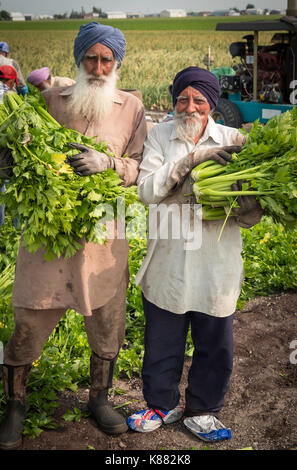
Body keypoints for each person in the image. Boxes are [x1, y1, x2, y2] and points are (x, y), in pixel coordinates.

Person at [0, 21, 147, 450]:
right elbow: (21, 157)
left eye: (107, 60)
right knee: (30, 317)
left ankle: (98, 399)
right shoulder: (48, 101)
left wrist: (109, 165)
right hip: (49, 235)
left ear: (117, 63)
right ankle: (15, 406)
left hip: (103, 235)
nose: (99, 68)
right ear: (78, 59)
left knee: (106, 319)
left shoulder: (131, 108)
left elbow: (139, 167)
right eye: (91, 58)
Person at [127, 66, 263, 441]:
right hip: (168, 256)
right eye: (182, 99)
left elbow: (252, 216)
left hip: (216, 259)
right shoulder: (160, 135)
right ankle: (161, 404)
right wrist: (192, 161)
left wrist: (242, 202)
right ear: (173, 102)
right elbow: (147, 190)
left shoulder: (234, 139)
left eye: (198, 100)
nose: (189, 107)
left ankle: (203, 410)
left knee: (215, 343)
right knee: (161, 341)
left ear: (211, 105)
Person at [0, 65, 19, 227]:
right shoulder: (11, 97)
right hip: (6, 151)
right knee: (13, 187)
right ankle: (16, 228)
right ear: (12, 82)